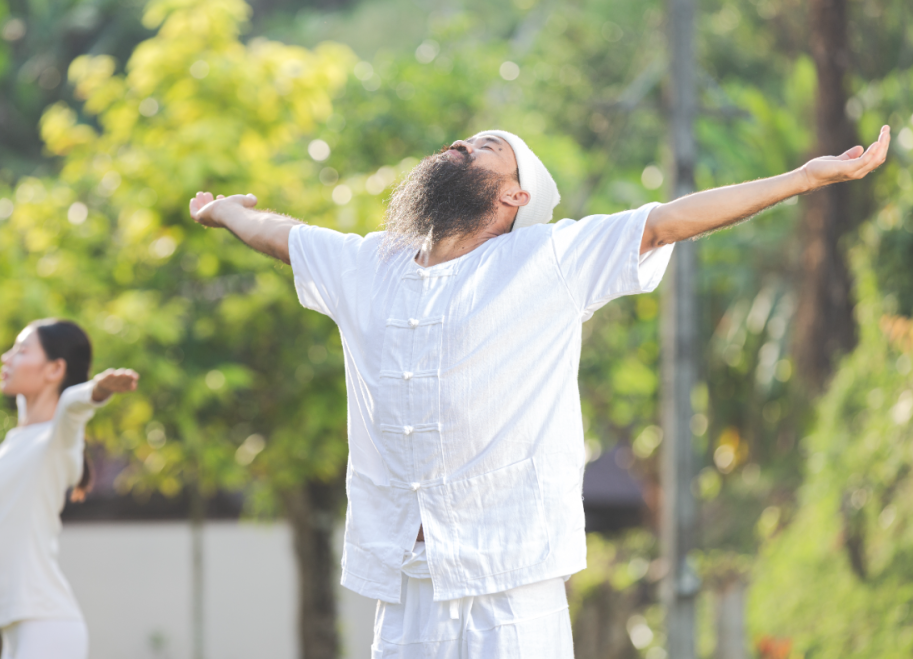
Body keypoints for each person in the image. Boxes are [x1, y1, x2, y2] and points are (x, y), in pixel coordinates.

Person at [189, 125, 890, 658]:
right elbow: (285, 236)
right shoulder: (370, 263)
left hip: (509, 580)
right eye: (462, 141)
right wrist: (225, 213)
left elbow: (667, 220)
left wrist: (803, 178)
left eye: (485, 148)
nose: (461, 145)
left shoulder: (547, 258)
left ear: (514, 195)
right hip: (406, 585)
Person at [0, 319, 139, 659]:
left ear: (55, 369)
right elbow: (37, 409)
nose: (6, 357)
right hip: (16, 628)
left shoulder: (57, 441)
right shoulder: (19, 439)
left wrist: (97, 390)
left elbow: (71, 409)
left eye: (21, 351)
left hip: (46, 625)